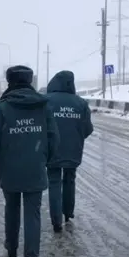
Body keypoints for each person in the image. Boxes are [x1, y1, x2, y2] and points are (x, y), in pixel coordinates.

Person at [0, 65, 59, 257]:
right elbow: (53, 137)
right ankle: (32, 256)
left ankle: (12, 248)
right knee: (33, 214)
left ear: (10, 82)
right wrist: (46, 160)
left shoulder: (2, 108)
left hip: (10, 170)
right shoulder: (43, 106)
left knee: (11, 209)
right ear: (30, 81)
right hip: (35, 168)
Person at [45, 70, 93, 232]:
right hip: (73, 149)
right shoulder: (81, 103)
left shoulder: (47, 101)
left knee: (54, 182)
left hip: (52, 149)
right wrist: (75, 139)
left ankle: (56, 220)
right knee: (70, 179)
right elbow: (87, 129)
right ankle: (68, 213)